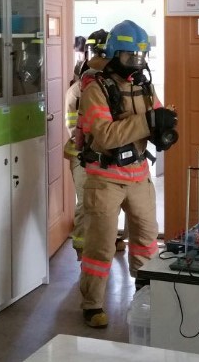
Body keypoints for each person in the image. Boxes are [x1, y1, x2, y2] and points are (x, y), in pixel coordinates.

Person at [76, 20, 179, 328]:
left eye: (140, 56)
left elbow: (155, 118)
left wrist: (163, 128)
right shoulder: (95, 90)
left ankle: (145, 294)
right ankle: (92, 304)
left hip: (138, 175)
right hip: (104, 178)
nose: (136, 62)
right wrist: (148, 121)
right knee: (100, 245)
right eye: (129, 56)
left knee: (147, 240)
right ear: (113, 54)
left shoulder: (144, 86)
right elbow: (106, 135)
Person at [64, 29, 126, 260]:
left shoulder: (113, 86)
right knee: (86, 203)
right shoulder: (78, 89)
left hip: (107, 156)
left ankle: (109, 239)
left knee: (109, 203)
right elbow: (74, 128)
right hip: (82, 155)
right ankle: (82, 250)